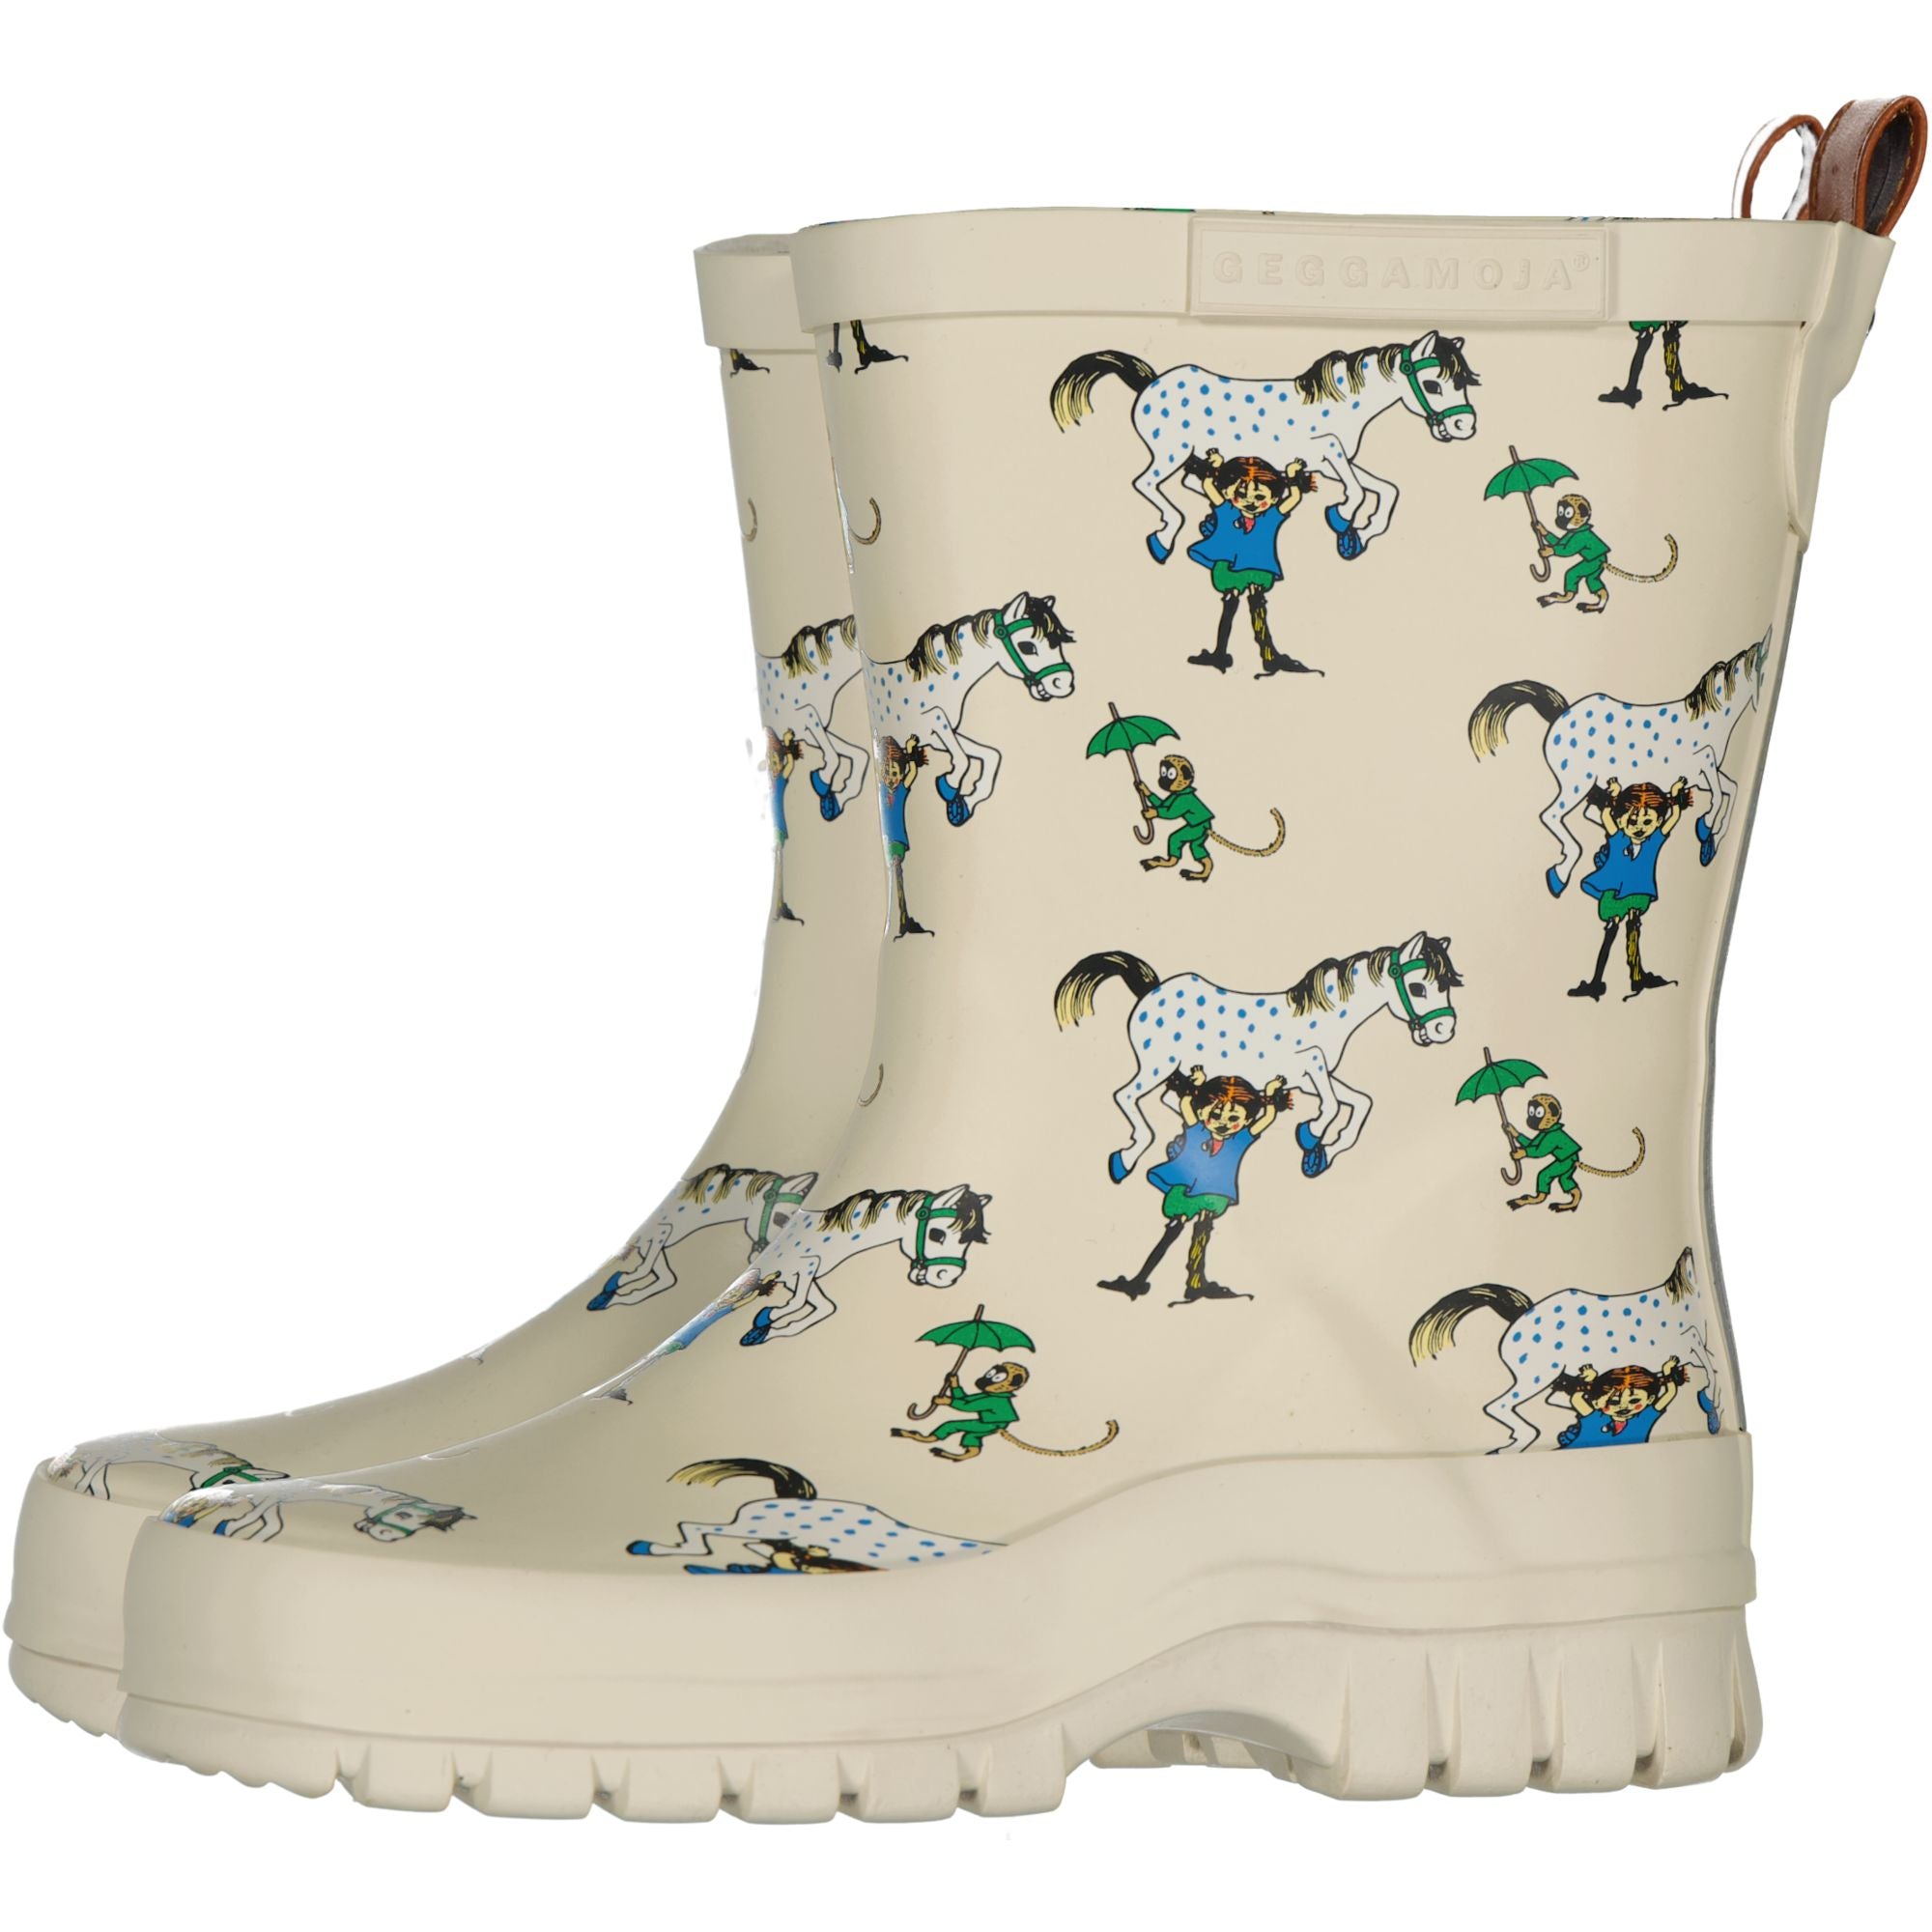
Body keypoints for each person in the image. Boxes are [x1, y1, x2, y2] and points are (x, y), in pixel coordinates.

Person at [1101, 1066, 1287, 1306]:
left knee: (1202, 1229)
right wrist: (1196, 1083)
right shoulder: (1197, 1130)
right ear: (1202, 1112)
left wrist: (1271, 1093)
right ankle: (1140, 1280)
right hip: (1188, 1190)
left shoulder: (1240, 1139)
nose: (1222, 1123)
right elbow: (1186, 1104)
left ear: (1246, 1120)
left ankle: (1195, 1281)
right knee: (1173, 1230)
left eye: (1233, 1119)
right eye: (1215, 1115)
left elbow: (1267, 1118)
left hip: (1215, 1193)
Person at [1184, 452, 1320, 676]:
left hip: (1258, 567)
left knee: (1257, 607)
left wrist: (1293, 476)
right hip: (1230, 568)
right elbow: (1208, 485)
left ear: (1273, 498)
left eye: (1259, 497)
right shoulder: (1227, 510)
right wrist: (1215, 467)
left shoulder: (1271, 517)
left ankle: (1268, 654)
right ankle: (1221, 653)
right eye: (1241, 495)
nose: (1251, 502)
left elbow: (1294, 498)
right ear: (1228, 492)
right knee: (1230, 606)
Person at [1572, 778, 1691, 1001]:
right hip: (1615, 893)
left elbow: (1674, 816)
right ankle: (1597, 982)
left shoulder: (1654, 841)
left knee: (1633, 929)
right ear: (1622, 819)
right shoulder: (1618, 838)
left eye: (1647, 822)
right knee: (1611, 932)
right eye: (1632, 821)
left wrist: (1676, 793)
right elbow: (1606, 816)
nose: (1639, 827)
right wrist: (1614, 793)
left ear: (1657, 821)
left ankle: (1637, 975)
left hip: (1638, 891)